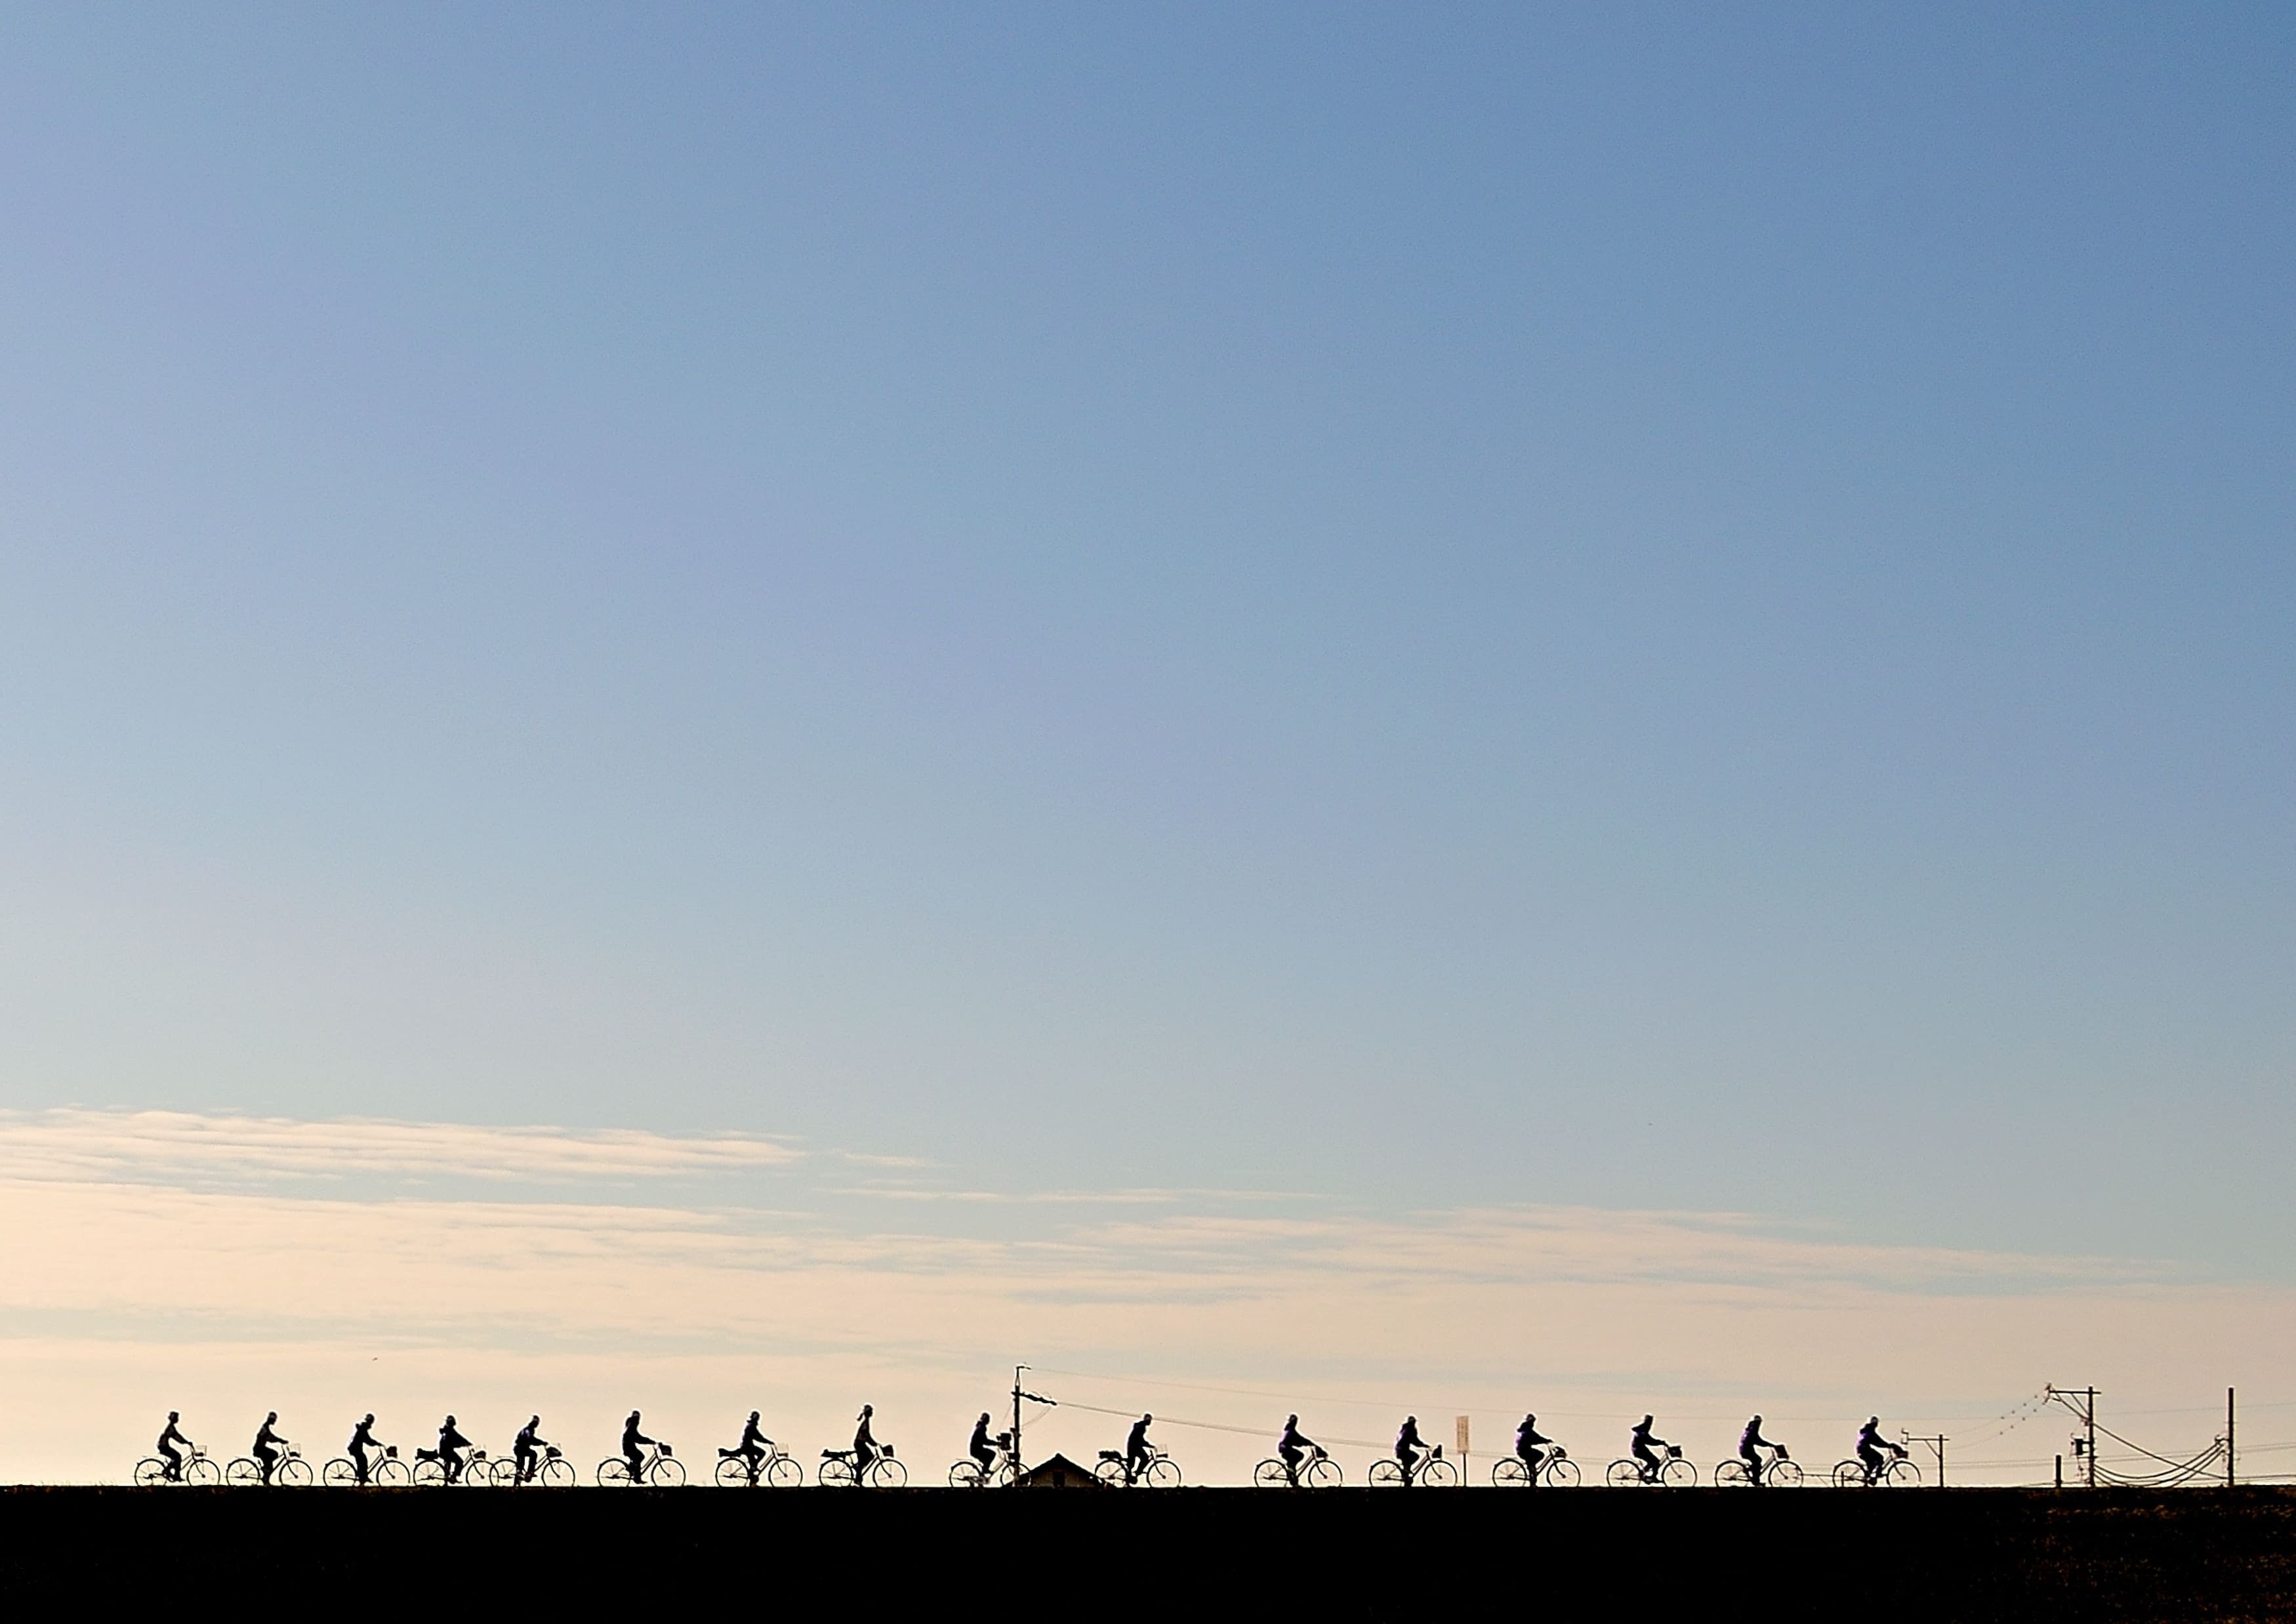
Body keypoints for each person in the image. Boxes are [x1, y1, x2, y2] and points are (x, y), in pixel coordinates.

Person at [1856, 1417, 1906, 1485]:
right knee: (1880, 1458)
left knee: (1872, 1464)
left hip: (1861, 1449)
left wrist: (1887, 1445)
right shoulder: (1871, 1432)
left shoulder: (1867, 1430)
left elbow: (1878, 1441)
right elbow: (1878, 1442)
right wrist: (1888, 1445)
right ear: (1875, 1424)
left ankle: (1868, 1479)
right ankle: (1877, 1474)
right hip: (1864, 1449)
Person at [1739, 1415, 1783, 1485]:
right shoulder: (1753, 1431)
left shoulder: (1750, 1430)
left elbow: (1758, 1441)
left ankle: (1755, 1478)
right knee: (1758, 1460)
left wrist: (1770, 1444)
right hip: (1746, 1450)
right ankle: (1755, 1479)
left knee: (1757, 1462)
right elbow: (1759, 1442)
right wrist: (1771, 1445)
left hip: (1745, 1449)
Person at [728, 1411, 771, 1479]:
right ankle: (753, 1468)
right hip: (747, 1446)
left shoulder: (751, 1425)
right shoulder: (751, 1426)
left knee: (755, 1459)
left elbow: (758, 1437)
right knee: (762, 1453)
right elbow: (758, 1437)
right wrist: (768, 1442)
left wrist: (767, 1441)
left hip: (748, 1445)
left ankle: (753, 1471)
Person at [1277, 1415, 1317, 1485]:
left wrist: (1308, 1443)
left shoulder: (1289, 1429)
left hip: (1284, 1448)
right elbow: (1299, 1439)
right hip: (1285, 1448)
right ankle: (1291, 1472)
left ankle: (1293, 1477)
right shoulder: (1291, 1430)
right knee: (1299, 1455)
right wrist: (1309, 1443)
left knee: (1295, 1459)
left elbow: (1299, 1440)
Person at [1630, 1415, 1670, 1483]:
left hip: (1639, 1448)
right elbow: (1650, 1441)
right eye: (1651, 1421)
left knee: (1653, 1461)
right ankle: (1650, 1476)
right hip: (1639, 1450)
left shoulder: (1644, 1428)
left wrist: (1660, 1442)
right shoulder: (1644, 1429)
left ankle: (1645, 1474)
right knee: (1655, 1461)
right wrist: (1661, 1442)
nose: (1652, 1423)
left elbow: (1649, 1440)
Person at [1515, 1413, 1552, 1484]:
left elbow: (1536, 1438)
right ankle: (1532, 1469)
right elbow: (1536, 1438)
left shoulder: (1526, 1429)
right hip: (1524, 1450)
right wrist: (1546, 1441)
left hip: (1523, 1449)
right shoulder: (1528, 1430)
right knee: (1540, 1455)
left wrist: (1545, 1441)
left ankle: (1532, 1479)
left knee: (1532, 1461)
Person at [346, 1413, 382, 1486]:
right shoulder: (363, 1428)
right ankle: (362, 1479)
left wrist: (376, 1443)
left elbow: (368, 1440)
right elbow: (368, 1440)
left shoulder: (363, 1427)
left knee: (363, 1460)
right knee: (362, 1460)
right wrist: (377, 1443)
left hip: (356, 1448)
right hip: (355, 1448)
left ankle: (363, 1477)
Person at [156, 1412, 192, 1482]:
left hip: (163, 1446)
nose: (178, 1419)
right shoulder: (170, 1428)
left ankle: (175, 1474)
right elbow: (178, 1438)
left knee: (177, 1457)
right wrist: (187, 1442)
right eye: (176, 1418)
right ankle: (170, 1472)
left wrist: (186, 1442)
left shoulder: (171, 1427)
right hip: (163, 1447)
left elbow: (178, 1437)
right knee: (177, 1457)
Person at [621, 1410, 655, 1484]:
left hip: (629, 1446)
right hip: (629, 1447)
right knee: (639, 1457)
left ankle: (632, 1469)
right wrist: (650, 1442)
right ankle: (637, 1478)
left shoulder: (630, 1425)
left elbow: (637, 1437)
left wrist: (649, 1441)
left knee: (639, 1457)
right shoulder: (633, 1425)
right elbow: (638, 1438)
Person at [514, 1415, 549, 1484]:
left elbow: (532, 1440)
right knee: (533, 1454)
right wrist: (542, 1443)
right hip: (520, 1448)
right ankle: (530, 1472)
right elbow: (531, 1440)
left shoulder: (529, 1429)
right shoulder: (528, 1430)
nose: (537, 1425)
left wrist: (541, 1443)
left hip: (521, 1448)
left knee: (521, 1464)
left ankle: (518, 1480)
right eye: (537, 1423)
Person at [1395, 1415, 1429, 1484]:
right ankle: (1406, 1472)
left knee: (1408, 1462)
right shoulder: (1410, 1429)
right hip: (1402, 1450)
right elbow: (1414, 1440)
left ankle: (1406, 1477)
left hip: (1400, 1449)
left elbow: (1414, 1440)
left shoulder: (1406, 1428)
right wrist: (1424, 1445)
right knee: (1415, 1456)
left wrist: (1422, 1445)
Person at [438, 1415, 471, 1484]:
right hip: (447, 1451)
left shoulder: (447, 1429)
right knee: (460, 1462)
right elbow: (457, 1438)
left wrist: (465, 1442)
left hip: (445, 1451)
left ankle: (448, 1480)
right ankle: (454, 1476)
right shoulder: (449, 1430)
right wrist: (465, 1443)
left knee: (448, 1465)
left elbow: (458, 1437)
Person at [968, 1411, 998, 1480]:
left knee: (987, 1459)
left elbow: (984, 1441)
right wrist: (996, 1443)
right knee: (992, 1454)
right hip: (976, 1450)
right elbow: (985, 1441)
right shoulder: (982, 1428)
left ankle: (982, 1474)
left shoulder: (980, 1427)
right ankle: (985, 1470)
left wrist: (995, 1443)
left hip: (976, 1449)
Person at [1125, 1413, 1155, 1484]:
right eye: (1150, 1420)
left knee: (1131, 1463)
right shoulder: (1141, 1427)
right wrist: (1148, 1445)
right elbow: (1139, 1439)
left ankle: (1131, 1476)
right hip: (1134, 1446)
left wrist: (1147, 1444)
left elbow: (1139, 1439)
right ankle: (1136, 1473)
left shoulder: (1140, 1426)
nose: (1150, 1422)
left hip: (1133, 1446)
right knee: (1145, 1458)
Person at [851, 1404, 878, 1475]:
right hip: (859, 1444)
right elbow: (867, 1437)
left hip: (860, 1443)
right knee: (867, 1458)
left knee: (866, 1458)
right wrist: (874, 1443)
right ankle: (858, 1475)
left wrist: (874, 1443)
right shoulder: (866, 1423)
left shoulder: (866, 1422)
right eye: (871, 1411)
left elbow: (867, 1436)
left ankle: (858, 1470)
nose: (872, 1413)